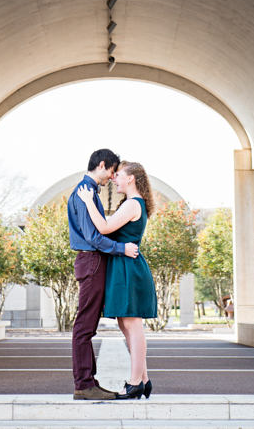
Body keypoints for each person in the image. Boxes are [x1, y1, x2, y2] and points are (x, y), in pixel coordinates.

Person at [77, 160, 157, 400]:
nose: (114, 178)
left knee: (132, 325)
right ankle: (143, 380)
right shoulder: (132, 203)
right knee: (126, 325)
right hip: (124, 266)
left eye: (118, 174)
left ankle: (134, 384)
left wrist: (89, 201)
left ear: (131, 178)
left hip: (128, 269)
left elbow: (103, 227)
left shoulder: (133, 204)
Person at [67, 149, 139, 400]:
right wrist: (121, 248)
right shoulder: (84, 192)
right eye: (112, 170)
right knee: (84, 327)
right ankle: (84, 385)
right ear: (101, 165)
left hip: (92, 261)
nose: (112, 176)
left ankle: (88, 383)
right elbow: (93, 237)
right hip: (91, 261)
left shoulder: (89, 192)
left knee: (87, 327)